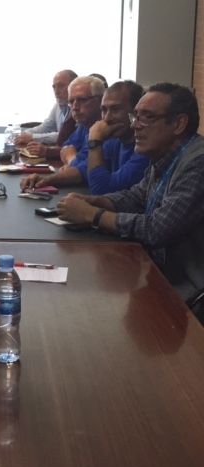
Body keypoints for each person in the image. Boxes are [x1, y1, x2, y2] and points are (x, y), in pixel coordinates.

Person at [57, 83, 204, 318]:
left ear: (179, 124)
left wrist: (92, 215)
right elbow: (136, 197)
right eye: (136, 116)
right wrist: (95, 202)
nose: (135, 124)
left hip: (189, 294)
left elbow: (157, 229)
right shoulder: (165, 156)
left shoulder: (198, 164)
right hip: (161, 275)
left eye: (147, 117)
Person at [20, 75, 105, 190]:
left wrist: (71, 160)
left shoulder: (107, 130)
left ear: (101, 101)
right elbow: (65, 149)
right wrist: (47, 179)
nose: (74, 107)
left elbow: (86, 171)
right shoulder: (84, 125)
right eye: (71, 102)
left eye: (82, 100)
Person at [15, 69, 77, 149]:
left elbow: (66, 135)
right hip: (59, 149)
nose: (56, 91)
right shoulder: (58, 105)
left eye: (61, 86)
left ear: (74, 86)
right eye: (54, 87)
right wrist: (24, 134)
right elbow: (45, 127)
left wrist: (33, 137)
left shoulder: (79, 107)